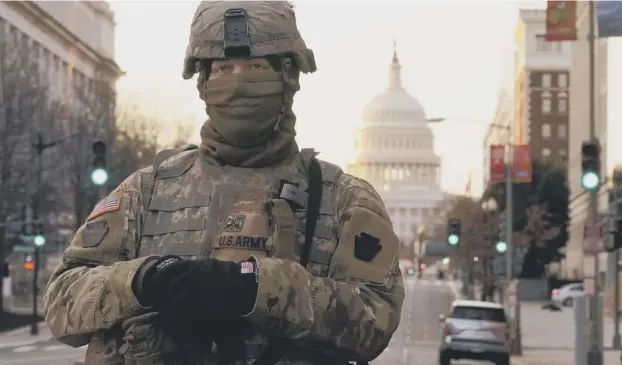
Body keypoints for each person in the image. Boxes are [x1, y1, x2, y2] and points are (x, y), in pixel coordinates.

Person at [43, 2, 404, 365]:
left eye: (256, 66)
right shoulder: (146, 190)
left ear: (289, 76)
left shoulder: (341, 198)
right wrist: (145, 280)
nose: (238, 81)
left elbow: (376, 319)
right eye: (223, 68)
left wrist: (254, 288)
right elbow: (61, 301)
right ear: (203, 81)